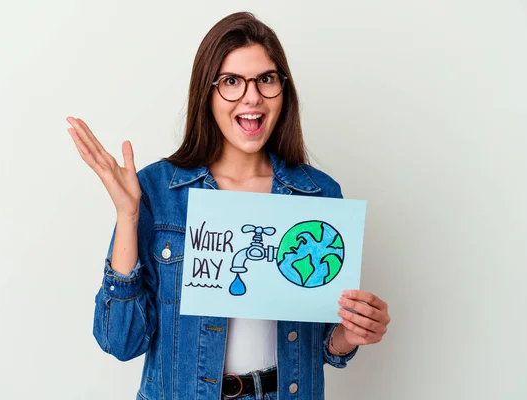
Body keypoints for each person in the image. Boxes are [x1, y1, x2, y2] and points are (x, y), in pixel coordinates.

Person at [66, 11, 390, 400]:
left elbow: (321, 343)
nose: (251, 96)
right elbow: (121, 342)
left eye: (266, 79)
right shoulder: (157, 191)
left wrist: (350, 336)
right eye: (232, 81)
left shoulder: (319, 195)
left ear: (283, 91)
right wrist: (127, 214)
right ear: (208, 93)